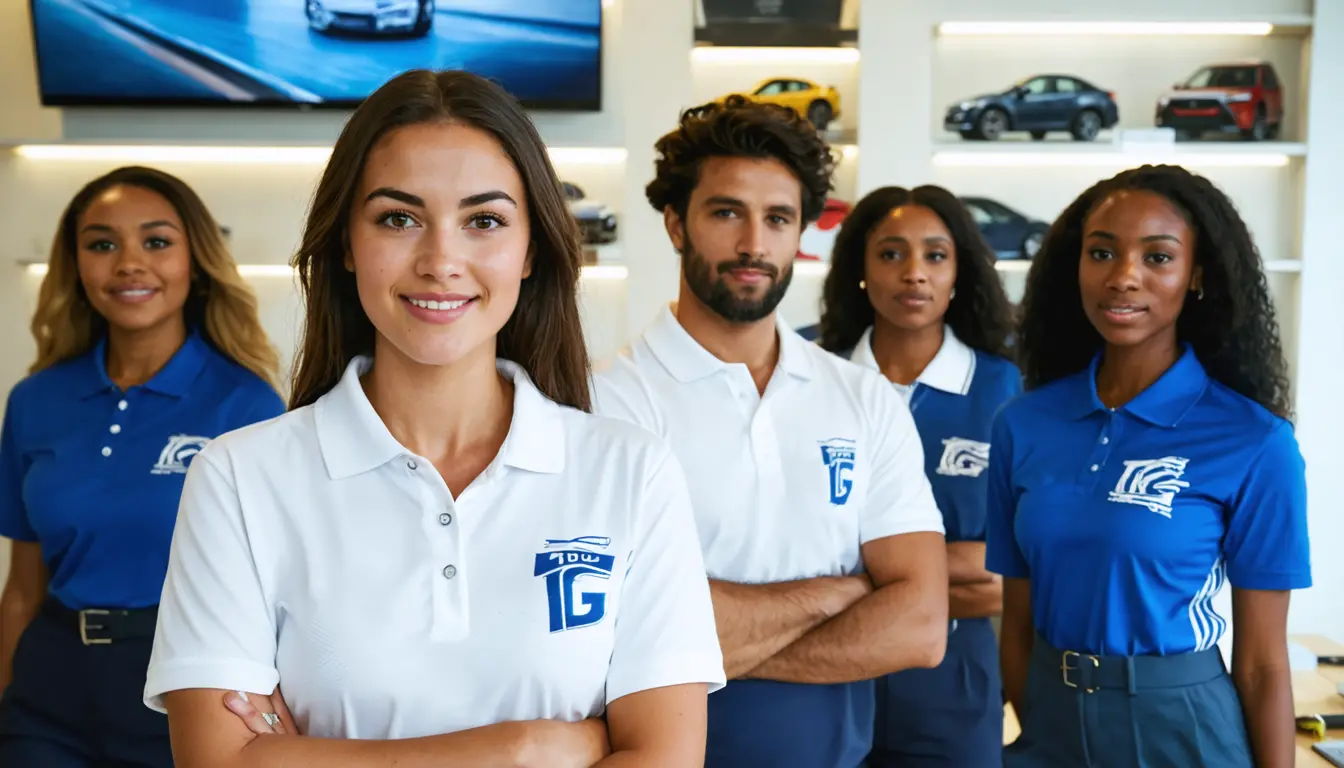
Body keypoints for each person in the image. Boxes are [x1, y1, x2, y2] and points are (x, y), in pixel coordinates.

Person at [143, 69, 725, 768]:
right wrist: (525, 748)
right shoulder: (238, 476)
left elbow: (665, 758)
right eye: (398, 218)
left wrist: (302, 756)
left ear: (532, 247)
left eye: (484, 220)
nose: (441, 260)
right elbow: (220, 762)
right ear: (346, 245)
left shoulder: (631, 470)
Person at [591, 96, 950, 768]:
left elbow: (922, 626)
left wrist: (701, 645)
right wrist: (842, 590)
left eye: (778, 218)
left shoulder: (863, 399)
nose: (754, 244)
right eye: (726, 212)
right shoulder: (605, 402)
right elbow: (610, 639)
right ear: (675, 223)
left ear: (801, 232)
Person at [988, 164, 1310, 767]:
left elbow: (1264, 662)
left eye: (1158, 258)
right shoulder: (1021, 425)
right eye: (1101, 253)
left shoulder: (1253, 441)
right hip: (1049, 727)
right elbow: (1017, 620)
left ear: (1197, 276)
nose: (1123, 278)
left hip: (1178, 727)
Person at [0, 166, 285, 767]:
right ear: (76, 265)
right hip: (49, 684)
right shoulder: (34, 401)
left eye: (156, 241)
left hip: (183, 681)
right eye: (102, 244)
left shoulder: (248, 405)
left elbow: (275, 591)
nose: (129, 263)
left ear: (195, 261)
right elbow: (23, 588)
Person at [817, 184, 1020, 767]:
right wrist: (927, 578)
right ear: (859, 268)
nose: (914, 273)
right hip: (819, 685)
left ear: (960, 272)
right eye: (890, 253)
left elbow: (1005, 576)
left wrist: (842, 582)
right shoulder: (805, 371)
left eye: (935, 255)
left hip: (954, 694)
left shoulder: (1006, 391)